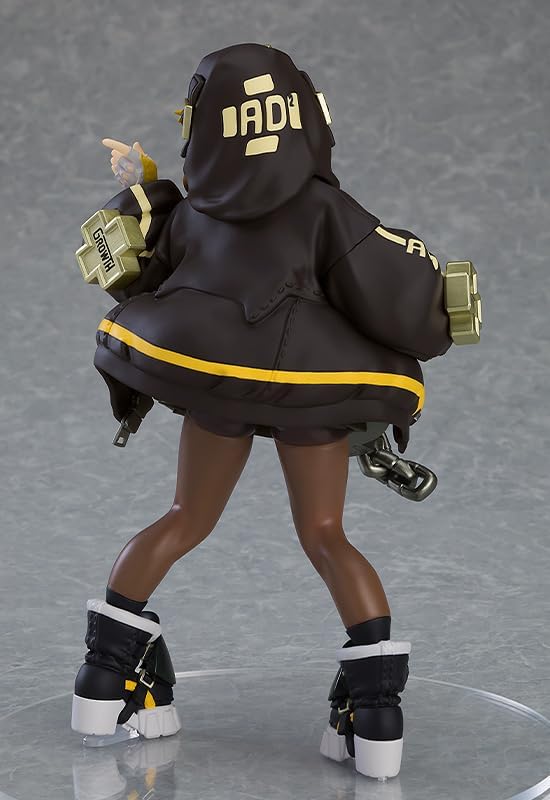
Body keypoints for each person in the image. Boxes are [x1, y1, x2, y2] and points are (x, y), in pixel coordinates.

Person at [71, 42, 454, 779]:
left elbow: (138, 269)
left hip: (214, 377)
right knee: (325, 535)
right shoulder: (326, 210)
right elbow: (396, 298)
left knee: (185, 516)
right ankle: (375, 712)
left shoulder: (195, 211)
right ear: (306, 119)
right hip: (309, 388)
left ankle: (104, 677)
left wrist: (146, 187)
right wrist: (439, 304)